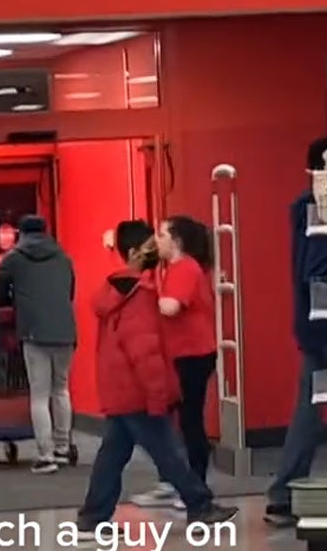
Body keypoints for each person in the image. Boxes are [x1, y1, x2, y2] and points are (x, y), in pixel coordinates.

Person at [75, 221, 238, 534]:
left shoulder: (117, 289)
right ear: (138, 252)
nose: (157, 247)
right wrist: (157, 395)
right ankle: (199, 505)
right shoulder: (140, 297)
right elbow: (145, 352)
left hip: (117, 387)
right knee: (167, 451)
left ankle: (92, 518)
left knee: (114, 453)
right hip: (136, 392)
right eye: (153, 241)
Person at [132, 216, 221, 510]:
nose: (157, 240)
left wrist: (147, 297)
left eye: (161, 235)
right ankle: (174, 482)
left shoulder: (185, 269)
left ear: (177, 241)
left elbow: (170, 307)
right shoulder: (168, 269)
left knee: (189, 420)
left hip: (192, 355)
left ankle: (194, 483)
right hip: (178, 355)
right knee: (170, 419)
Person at [0, 214, 79, 473]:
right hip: (65, 331)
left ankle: (45, 455)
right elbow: (70, 291)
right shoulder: (63, 257)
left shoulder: (15, 258)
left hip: (34, 332)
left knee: (39, 394)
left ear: (21, 234)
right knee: (61, 390)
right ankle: (63, 447)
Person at [266, 137, 327, 527]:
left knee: (310, 412)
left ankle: (284, 494)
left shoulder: (307, 211)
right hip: (323, 334)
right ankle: (284, 493)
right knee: (310, 413)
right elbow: (317, 276)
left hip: (316, 331)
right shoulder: (317, 215)